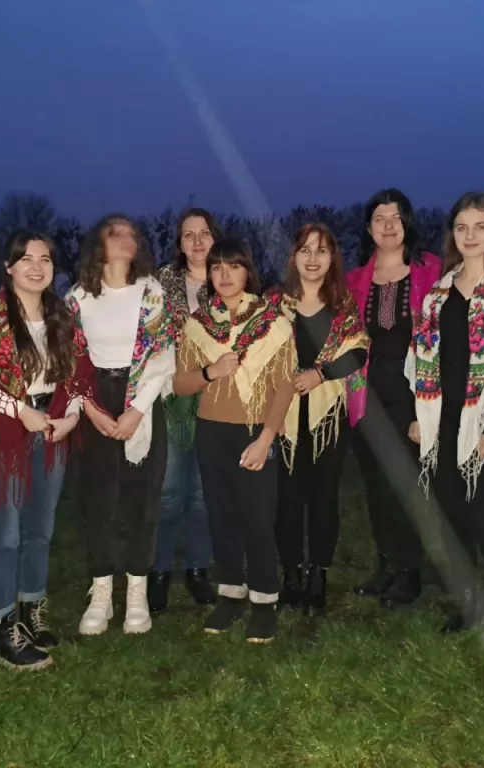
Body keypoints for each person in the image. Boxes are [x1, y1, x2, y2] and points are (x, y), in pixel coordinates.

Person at [0, 231, 95, 670]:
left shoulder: (62, 314)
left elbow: (79, 372)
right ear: (9, 267)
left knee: (40, 527)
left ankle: (32, 609)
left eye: (45, 259)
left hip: (51, 424)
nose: (36, 267)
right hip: (1, 427)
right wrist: (19, 410)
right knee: (5, 531)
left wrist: (71, 416)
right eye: (26, 259)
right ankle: (2, 628)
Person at [406, 193, 484, 641]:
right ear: (452, 235)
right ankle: (469, 603)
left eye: (480, 226)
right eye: (462, 227)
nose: (470, 235)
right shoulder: (438, 294)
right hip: (442, 420)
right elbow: (420, 358)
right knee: (453, 519)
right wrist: (420, 416)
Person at [174, 237, 295, 643]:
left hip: (256, 429)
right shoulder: (197, 324)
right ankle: (230, 594)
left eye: (233, 266)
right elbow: (180, 384)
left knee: (257, 517)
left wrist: (266, 438)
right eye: (216, 267)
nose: (224, 275)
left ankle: (264, 600)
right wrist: (211, 371)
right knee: (221, 515)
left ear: (248, 272)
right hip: (212, 431)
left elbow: (284, 386)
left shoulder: (273, 322)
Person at [66, 214, 175, 636]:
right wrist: (90, 409)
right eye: (116, 233)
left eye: (132, 234)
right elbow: (70, 360)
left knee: (142, 503)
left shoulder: (152, 293)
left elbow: (163, 356)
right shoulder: (78, 297)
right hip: (95, 401)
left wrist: (137, 410)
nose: (126, 239)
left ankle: (136, 595)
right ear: (99, 243)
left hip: (143, 403)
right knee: (99, 503)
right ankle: (101, 594)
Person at [345, 189, 443, 609]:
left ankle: (409, 570)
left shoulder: (431, 270)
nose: (388, 226)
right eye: (379, 218)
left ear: (408, 223)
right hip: (365, 391)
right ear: (369, 228)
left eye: (396, 217)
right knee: (375, 483)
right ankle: (387, 563)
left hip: (411, 390)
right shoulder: (354, 280)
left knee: (404, 482)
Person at [268, 224, 369, 616]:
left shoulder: (342, 303)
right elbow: (257, 354)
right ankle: (291, 576)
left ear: (332, 258)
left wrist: (321, 374)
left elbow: (359, 351)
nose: (313, 258)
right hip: (283, 414)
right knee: (287, 500)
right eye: (305, 249)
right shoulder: (274, 303)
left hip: (329, 415)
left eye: (322, 250)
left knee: (324, 498)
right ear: (294, 256)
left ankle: (318, 575)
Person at [148, 209, 222, 613]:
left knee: (203, 495)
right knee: (169, 491)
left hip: (217, 398)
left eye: (204, 233)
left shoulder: (229, 279)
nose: (197, 241)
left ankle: (197, 569)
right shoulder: (160, 284)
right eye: (188, 234)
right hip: (170, 396)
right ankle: (158, 571)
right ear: (179, 242)